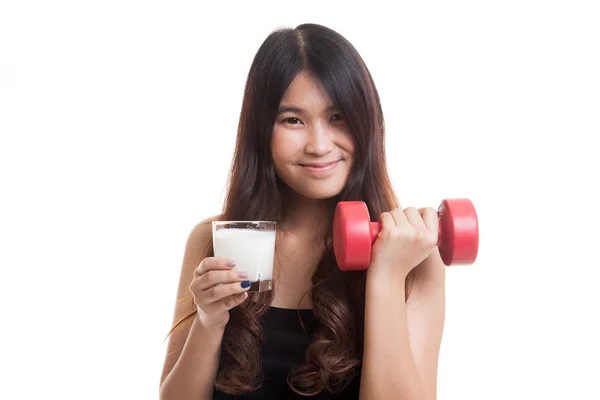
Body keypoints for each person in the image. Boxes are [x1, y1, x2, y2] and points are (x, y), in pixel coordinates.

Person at [159, 23, 446, 400]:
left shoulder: (416, 256)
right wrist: (210, 321)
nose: (319, 145)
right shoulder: (215, 239)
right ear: (262, 130)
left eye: (337, 117)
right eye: (293, 120)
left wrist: (387, 275)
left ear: (367, 121)